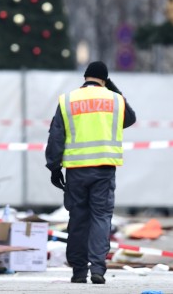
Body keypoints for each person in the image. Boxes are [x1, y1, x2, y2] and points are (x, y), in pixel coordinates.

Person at [45, 61, 136, 284]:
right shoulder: (115, 100)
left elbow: (56, 136)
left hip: (76, 170)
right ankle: (97, 268)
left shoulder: (68, 100)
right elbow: (130, 118)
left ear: (85, 77)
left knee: (78, 218)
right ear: (105, 79)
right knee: (101, 217)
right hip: (104, 169)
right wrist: (112, 88)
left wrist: (54, 167)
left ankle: (78, 271)